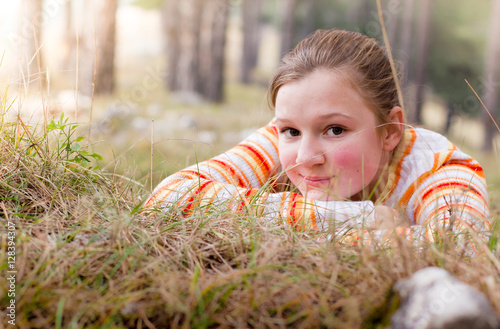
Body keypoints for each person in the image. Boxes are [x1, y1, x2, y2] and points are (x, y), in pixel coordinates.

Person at [144, 29, 490, 246]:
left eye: (335, 130)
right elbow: (170, 198)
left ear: (391, 131)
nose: (306, 157)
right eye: (291, 130)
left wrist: (291, 229)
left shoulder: (443, 170)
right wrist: (357, 219)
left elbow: (459, 249)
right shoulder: (282, 140)